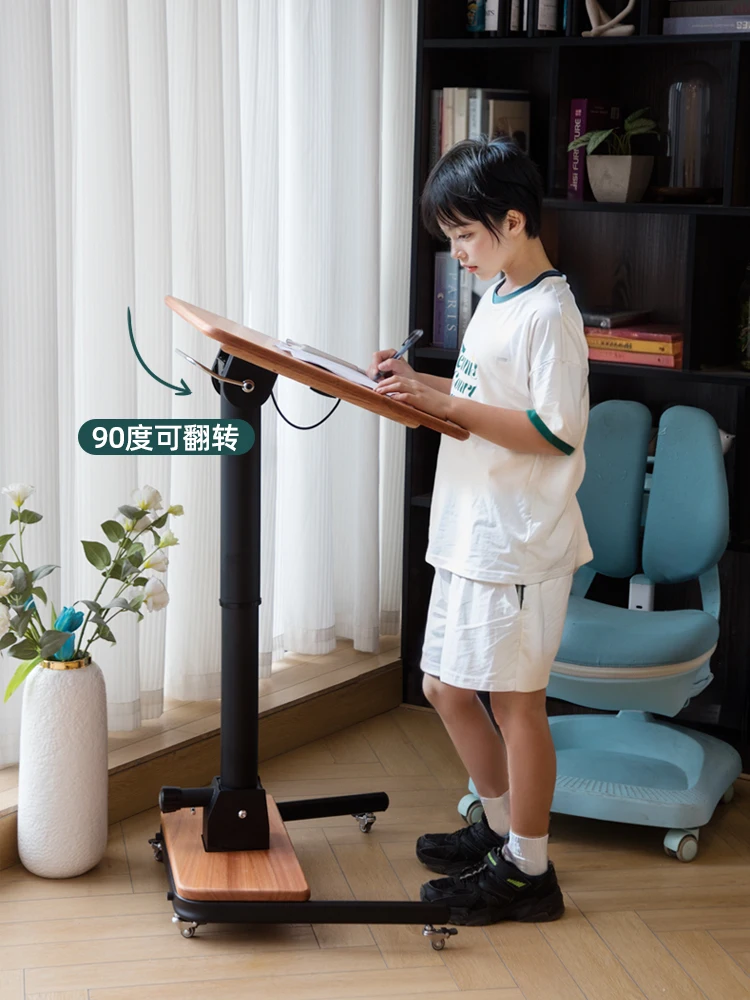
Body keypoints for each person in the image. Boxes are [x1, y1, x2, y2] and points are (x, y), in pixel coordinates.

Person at [368, 136, 592, 926]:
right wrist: (414, 385)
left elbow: (553, 431)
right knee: (442, 686)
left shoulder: (549, 314)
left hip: (519, 540)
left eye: (465, 236)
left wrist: (444, 406)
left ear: (513, 221)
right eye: (451, 238)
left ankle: (530, 871)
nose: (457, 253)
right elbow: (476, 391)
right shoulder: (498, 295)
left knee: (515, 702)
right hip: (473, 530)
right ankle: (500, 832)